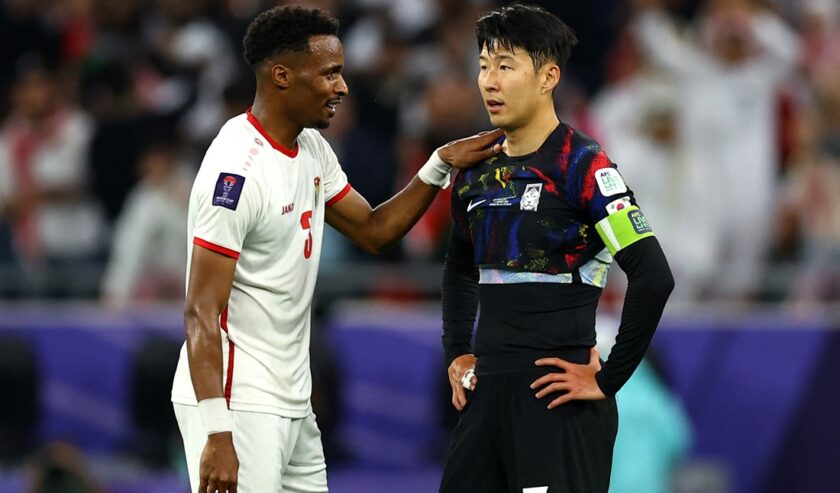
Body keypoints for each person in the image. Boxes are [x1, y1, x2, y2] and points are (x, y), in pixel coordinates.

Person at [169, 6, 502, 493]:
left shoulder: (312, 149)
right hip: (237, 401)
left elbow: (374, 230)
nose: (342, 87)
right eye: (329, 73)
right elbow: (201, 310)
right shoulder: (235, 172)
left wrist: (438, 165)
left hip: (293, 400)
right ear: (282, 76)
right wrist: (217, 432)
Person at [439, 4, 674, 493]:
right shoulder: (475, 170)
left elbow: (653, 275)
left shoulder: (583, 166)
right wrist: (458, 351)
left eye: (506, 66)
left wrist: (608, 381)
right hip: (484, 401)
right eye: (483, 65)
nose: (489, 81)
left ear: (548, 76)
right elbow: (460, 268)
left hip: (557, 403)